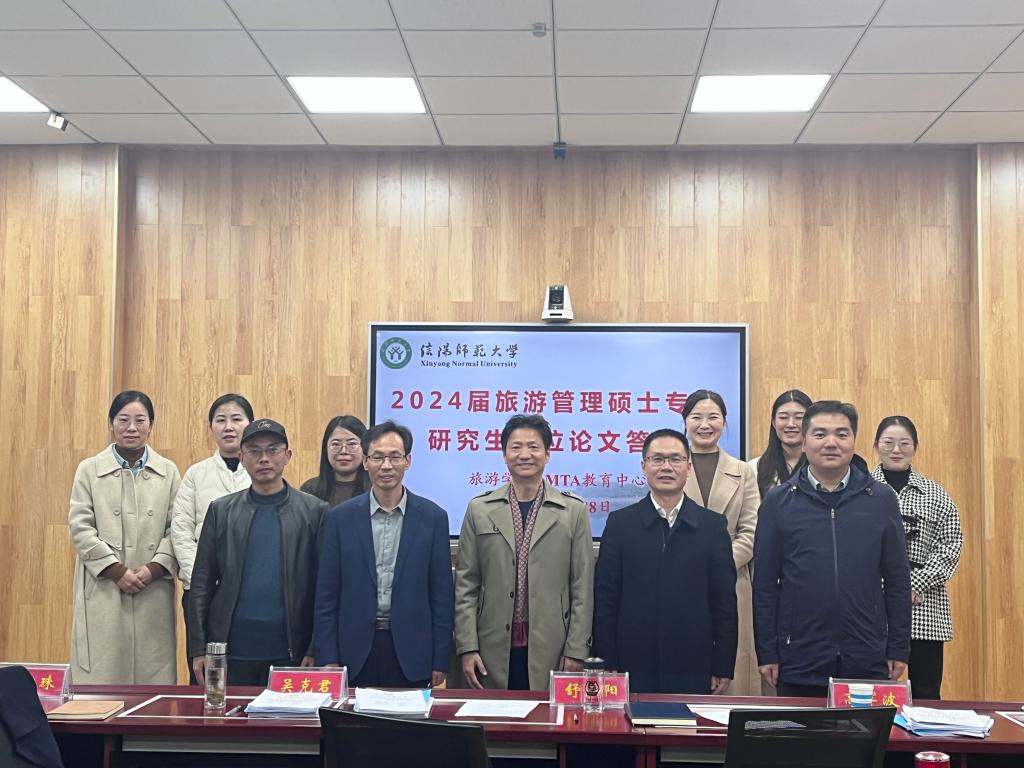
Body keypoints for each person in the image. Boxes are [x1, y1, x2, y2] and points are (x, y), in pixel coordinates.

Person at [753, 400, 912, 698]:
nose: (830, 443)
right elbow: (764, 586)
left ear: (853, 440)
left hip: (867, 655)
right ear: (804, 442)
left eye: (841, 434)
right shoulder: (778, 501)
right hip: (798, 657)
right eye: (820, 434)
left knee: (866, 730)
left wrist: (898, 647)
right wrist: (767, 652)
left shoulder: (881, 499)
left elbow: (898, 580)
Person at [455, 414, 594, 691]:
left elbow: (582, 587)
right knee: (493, 717)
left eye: (533, 447)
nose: (525, 455)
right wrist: (467, 646)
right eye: (516, 447)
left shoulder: (573, 511)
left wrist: (577, 649)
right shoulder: (479, 509)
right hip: (491, 646)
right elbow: (466, 585)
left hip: (552, 646)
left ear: (547, 454)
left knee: (547, 717)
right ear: (504, 455)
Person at [594, 428, 737, 693]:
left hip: (694, 662)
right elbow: (605, 599)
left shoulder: (712, 527)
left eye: (675, 459)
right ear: (644, 466)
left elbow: (724, 604)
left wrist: (723, 665)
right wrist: (606, 661)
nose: (666, 467)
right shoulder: (620, 524)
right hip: (631, 661)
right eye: (657, 459)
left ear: (688, 467)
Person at [188, 419, 327, 686]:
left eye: (273, 450)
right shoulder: (221, 511)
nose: (264, 458)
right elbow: (201, 584)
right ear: (241, 458)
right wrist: (198, 647)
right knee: (228, 714)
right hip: (231, 650)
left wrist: (314, 647)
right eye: (254, 450)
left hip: (292, 651)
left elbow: (324, 588)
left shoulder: (314, 512)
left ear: (287, 455)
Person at [315, 421, 453, 687]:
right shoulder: (340, 519)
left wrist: (440, 659)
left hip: (413, 652)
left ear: (407, 461)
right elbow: (327, 596)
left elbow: (442, 596)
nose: (386, 466)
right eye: (377, 457)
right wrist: (328, 656)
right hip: (353, 651)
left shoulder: (433, 518)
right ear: (365, 462)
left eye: (394, 457)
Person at [68, 390, 180, 684]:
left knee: (152, 679)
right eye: (123, 420)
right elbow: (80, 526)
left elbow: (177, 528)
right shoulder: (89, 469)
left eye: (140, 420)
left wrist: (154, 568)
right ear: (111, 423)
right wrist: (115, 570)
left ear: (151, 424)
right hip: (104, 585)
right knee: (101, 680)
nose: (131, 428)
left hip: (152, 587)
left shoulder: (168, 471)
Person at [872, 416, 962, 700]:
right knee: (874, 688)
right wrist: (889, 586)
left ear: (915, 447)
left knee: (926, 691)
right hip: (873, 604)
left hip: (925, 605)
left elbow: (951, 546)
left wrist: (914, 584)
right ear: (876, 445)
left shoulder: (936, 495)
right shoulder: (862, 491)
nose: (896, 449)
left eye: (904, 443)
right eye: (888, 442)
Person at [680, 390, 760, 696]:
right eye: (696, 417)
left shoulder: (743, 471)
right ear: (685, 421)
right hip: (681, 580)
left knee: (730, 675)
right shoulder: (671, 465)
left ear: (724, 422)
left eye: (713, 417)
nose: (705, 424)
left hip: (731, 580)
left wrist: (716, 566)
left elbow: (751, 532)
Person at [170, 393, 253, 682]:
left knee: (243, 670)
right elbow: (181, 530)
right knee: (205, 673)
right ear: (211, 428)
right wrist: (203, 580)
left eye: (236, 419)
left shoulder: (261, 471)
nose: (228, 427)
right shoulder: (196, 474)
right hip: (202, 593)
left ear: (250, 424)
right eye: (221, 420)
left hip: (249, 593)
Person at [750, 389, 813, 498]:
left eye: (799, 417)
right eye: (783, 417)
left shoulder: (822, 467)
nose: (791, 424)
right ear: (774, 422)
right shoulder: (754, 468)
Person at [300, 415, 369, 507]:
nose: (343, 451)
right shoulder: (310, 490)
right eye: (336, 444)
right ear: (326, 449)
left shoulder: (376, 489)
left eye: (352, 444)